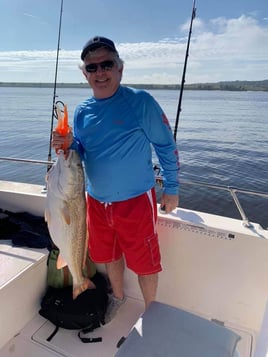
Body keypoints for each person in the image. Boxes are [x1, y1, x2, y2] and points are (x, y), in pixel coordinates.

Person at [52, 36, 180, 323]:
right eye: (92, 67)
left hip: (135, 200)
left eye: (106, 64)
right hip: (95, 202)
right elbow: (84, 151)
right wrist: (69, 144)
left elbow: (166, 145)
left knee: (145, 263)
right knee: (108, 256)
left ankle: (151, 313)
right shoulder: (83, 111)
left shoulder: (140, 102)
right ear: (84, 73)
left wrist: (171, 188)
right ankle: (117, 298)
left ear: (120, 68)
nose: (100, 72)